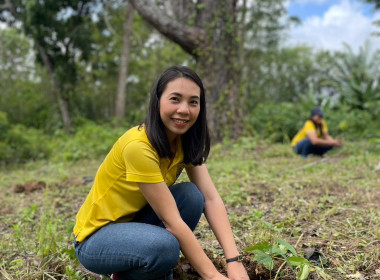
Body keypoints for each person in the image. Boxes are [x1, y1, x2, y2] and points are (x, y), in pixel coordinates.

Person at [73, 66, 249, 280]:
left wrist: (234, 262)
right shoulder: (138, 146)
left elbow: (211, 199)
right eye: (175, 99)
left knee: (192, 196)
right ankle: (132, 272)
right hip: (96, 239)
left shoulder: (185, 140)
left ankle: (138, 270)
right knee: (166, 246)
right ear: (157, 101)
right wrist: (213, 276)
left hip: (135, 225)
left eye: (193, 102)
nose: (184, 110)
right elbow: (172, 223)